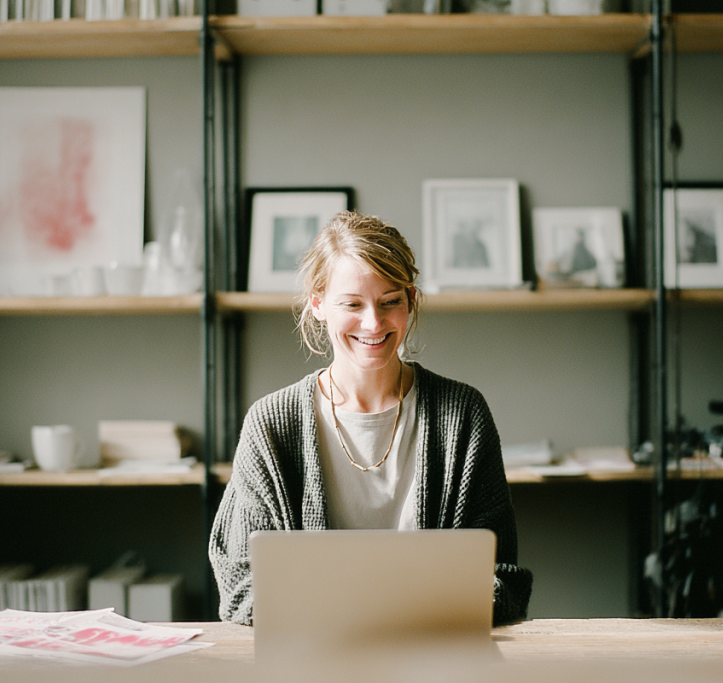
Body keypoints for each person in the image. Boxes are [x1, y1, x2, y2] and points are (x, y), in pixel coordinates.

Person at [208, 211, 533, 626]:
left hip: (433, 657)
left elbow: (501, 582)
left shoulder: (463, 416)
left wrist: (359, 610)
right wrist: (386, 610)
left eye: (390, 302)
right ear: (318, 304)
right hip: (312, 663)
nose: (373, 323)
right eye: (352, 304)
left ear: (411, 300)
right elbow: (241, 589)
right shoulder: (271, 425)